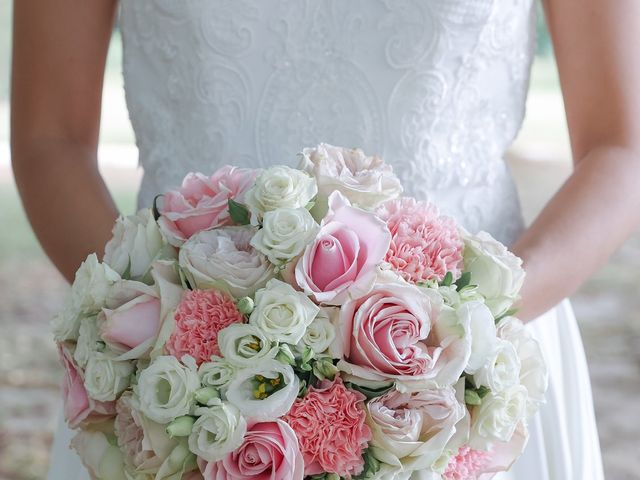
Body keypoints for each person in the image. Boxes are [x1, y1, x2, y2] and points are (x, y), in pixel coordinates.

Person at [12, 0, 639, 478]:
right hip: (181, 397)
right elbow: (50, 139)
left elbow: (621, 146)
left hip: (473, 373)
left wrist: (462, 348)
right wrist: (154, 343)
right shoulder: (172, 377)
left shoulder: (472, 359)